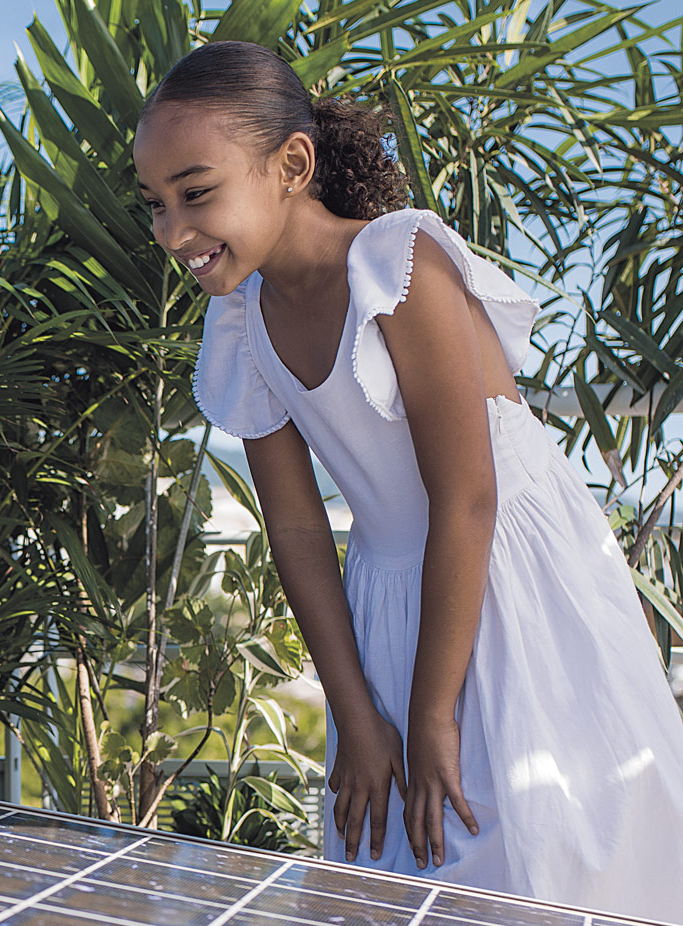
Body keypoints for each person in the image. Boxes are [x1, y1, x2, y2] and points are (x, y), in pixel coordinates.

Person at [133, 40, 683, 920]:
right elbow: (299, 531)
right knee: (396, 871)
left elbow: (469, 498)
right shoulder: (241, 324)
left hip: (506, 582)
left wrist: (430, 716)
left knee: (533, 854)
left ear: (292, 165)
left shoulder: (398, 266)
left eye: (196, 194)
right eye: (155, 206)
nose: (173, 232)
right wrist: (356, 714)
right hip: (392, 602)